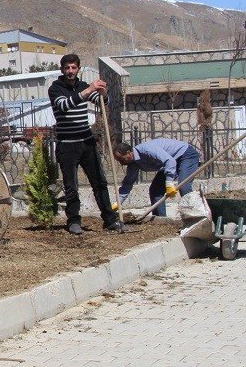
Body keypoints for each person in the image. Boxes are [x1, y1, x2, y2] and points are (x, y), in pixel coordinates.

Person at [48, 53, 122, 235]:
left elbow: (103, 103)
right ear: (62, 70)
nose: (70, 71)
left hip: (87, 142)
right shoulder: (55, 88)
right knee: (71, 186)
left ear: (78, 69)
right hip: (67, 145)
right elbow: (64, 105)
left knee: (100, 182)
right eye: (67, 68)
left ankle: (110, 220)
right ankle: (74, 220)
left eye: (73, 67)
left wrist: (103, 94)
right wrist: (88, 91)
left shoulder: (82, 87)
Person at [113, 139, 200, 217]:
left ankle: (196, 216)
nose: (121, 163)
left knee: (184, 186)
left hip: (185, 155)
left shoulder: (146, 149)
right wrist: (117, 203)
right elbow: (128, 183)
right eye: (119, 161)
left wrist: (169, 183)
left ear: (129, 153)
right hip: (171, 162)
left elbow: (169, 161)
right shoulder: (133, 164)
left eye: (122, 159)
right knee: (155, 190)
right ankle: (161, 221)